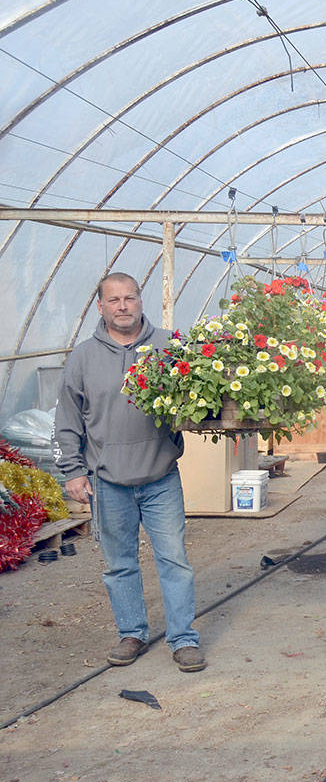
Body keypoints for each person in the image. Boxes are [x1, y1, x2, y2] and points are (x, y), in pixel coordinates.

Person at [53, 273, 205, 672]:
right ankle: (132, 633)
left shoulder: (169, 347)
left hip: (160, 478)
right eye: (114, 299)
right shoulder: (84, 356)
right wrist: (73, 470)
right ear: (100, 306)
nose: (123, 306)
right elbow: (68, 418)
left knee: (174, 560)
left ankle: (183, 639)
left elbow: (204, 394)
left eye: (130, 298)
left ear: (141, 301)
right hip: (107, 482)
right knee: (119, 563)